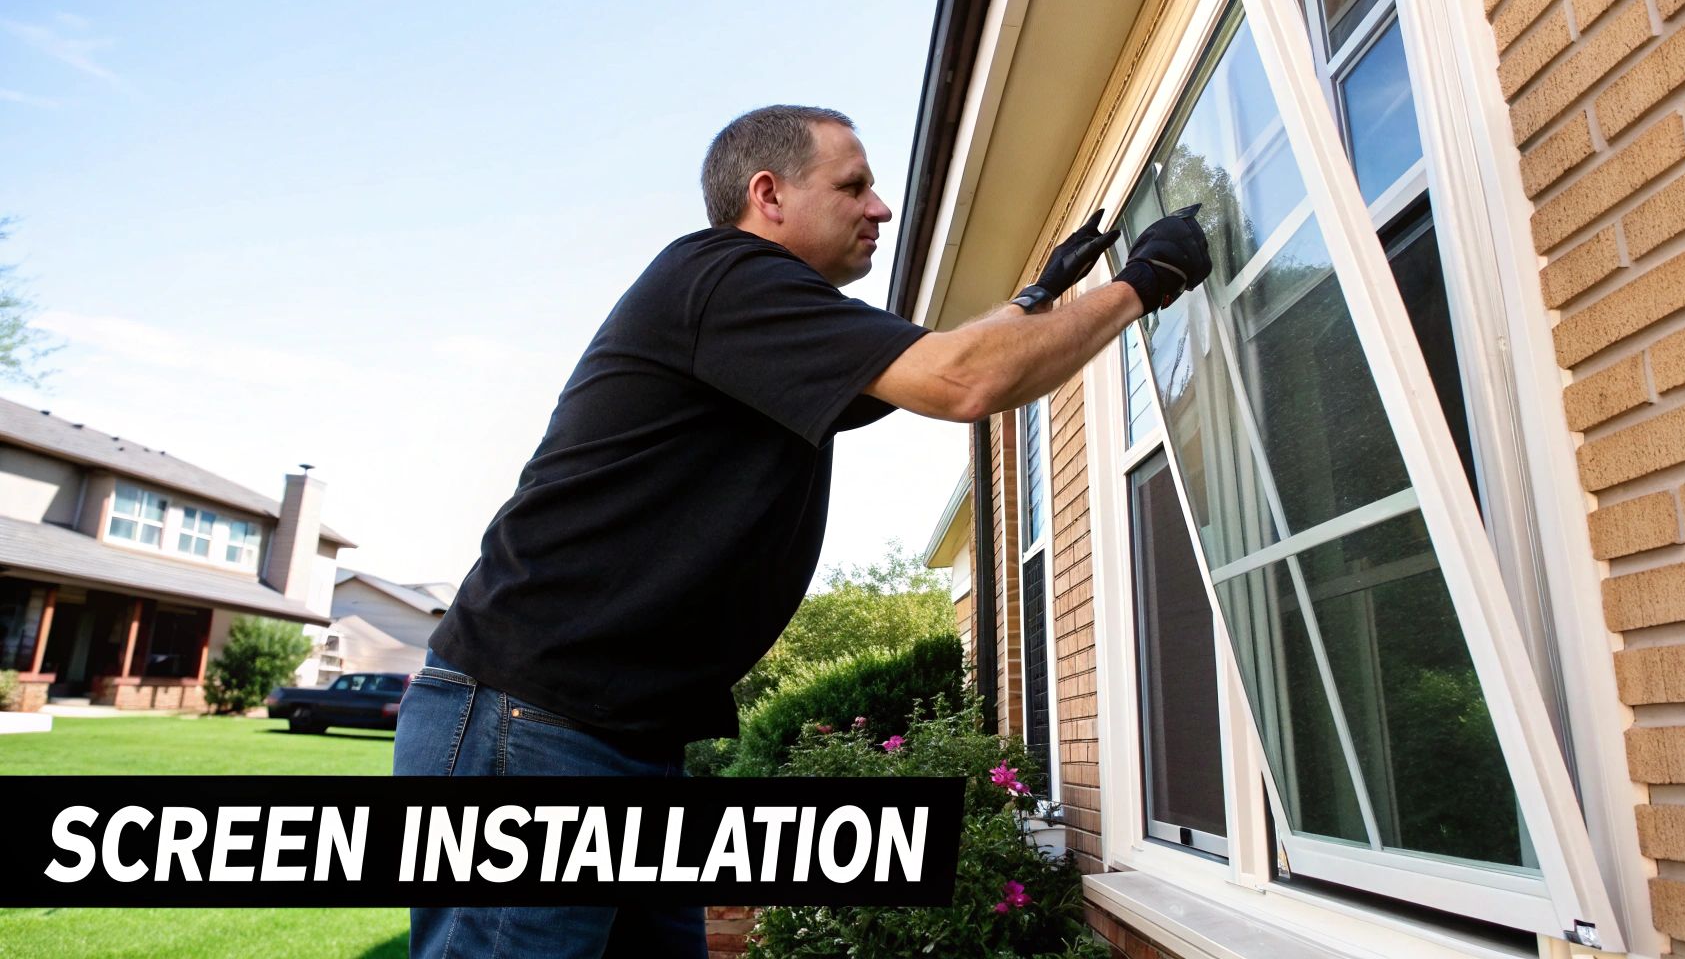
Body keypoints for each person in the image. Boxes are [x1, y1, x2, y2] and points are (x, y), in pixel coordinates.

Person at [391, 104, 1212, 958]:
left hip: (608, 734)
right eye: (853, 186)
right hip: (529, 726)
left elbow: (948, 352)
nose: (880, 208)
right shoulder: (725, 276)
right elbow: (962, 379)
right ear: (768, 194)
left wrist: (1040, 295)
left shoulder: (769, 323)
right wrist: (1142, 284)